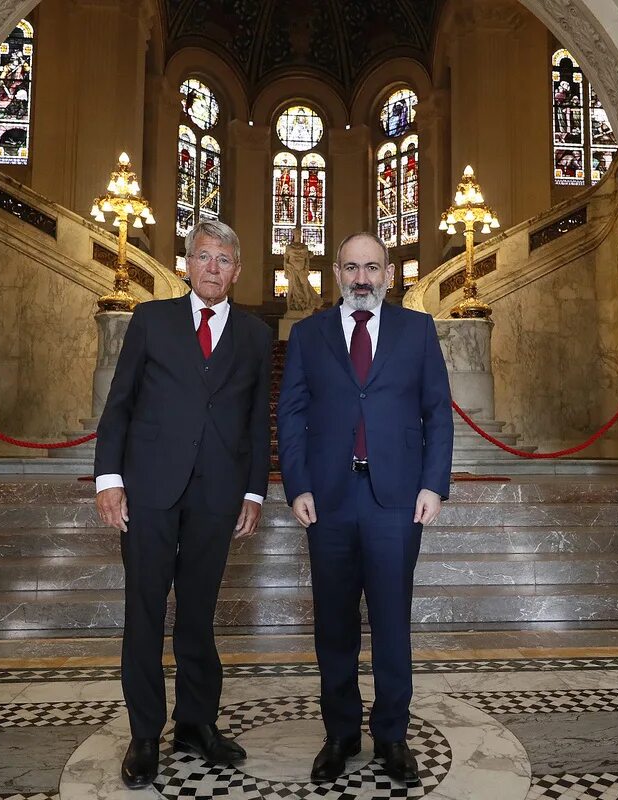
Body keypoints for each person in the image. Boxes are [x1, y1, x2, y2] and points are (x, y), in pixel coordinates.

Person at [94, 219, 273, 789]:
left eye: (224, 260)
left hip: (218, 496)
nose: (214, 268)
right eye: (204, 257)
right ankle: (145, 733)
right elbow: (119, 404)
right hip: (148, 492)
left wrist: (253, 490)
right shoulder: (151, 321)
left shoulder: (253, 335)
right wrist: (108, 480)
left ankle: (196, 723)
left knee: (198, 615)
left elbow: (255, 417)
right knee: (144, 612)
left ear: (237, 271)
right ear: (186, 265)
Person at [276, 232, 453, 785]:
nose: (361, 278)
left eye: (372, 268)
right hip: (327, 500)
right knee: (333, 624)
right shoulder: (308, 334)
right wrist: (297, 485)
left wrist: (434, 485)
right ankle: (341, 733)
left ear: (388, 274)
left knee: (392, 620)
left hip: (397, 500)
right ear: (336, 274)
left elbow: (438, 414)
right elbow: (292, 413)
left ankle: (392, 735)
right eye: (351, 268)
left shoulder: (417, 330)